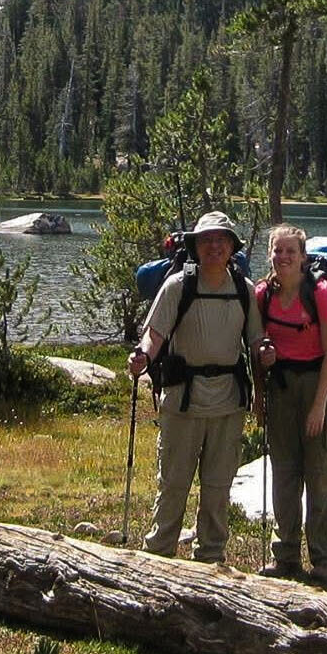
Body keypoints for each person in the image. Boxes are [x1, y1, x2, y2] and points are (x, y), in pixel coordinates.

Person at [126, 211, 263, 564]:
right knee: (172, 485)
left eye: (221, 239)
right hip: (182, 403)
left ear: (232, 246)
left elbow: (256, 341)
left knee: (218, 489)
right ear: (196, 246)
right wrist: (143, 355)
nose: (214, 246)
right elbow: (154, 334)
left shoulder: (244, 290)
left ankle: (211, 560)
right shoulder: (178, 286)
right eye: (207, 240)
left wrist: (267, 354)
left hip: (229, 404)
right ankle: (159, 557)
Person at [252, 224, 327, 583]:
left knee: (321, 474)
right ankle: (285, 555)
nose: (283, 257)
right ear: (270, 254)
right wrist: (260, 394)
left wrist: (320, 406)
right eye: (278, 250)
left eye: (291, 251)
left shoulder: (320, 293)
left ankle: (324, 559)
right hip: (281, 389)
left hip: (320, 385)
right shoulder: (262, 295)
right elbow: (255, 349)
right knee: (284, 474)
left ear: (303, 257)